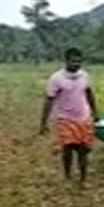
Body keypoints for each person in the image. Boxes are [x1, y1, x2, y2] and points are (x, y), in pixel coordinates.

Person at [40, 47, 99, 186]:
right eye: (73, 61)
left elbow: (89, 94)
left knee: (83, 150)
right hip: (65, 118)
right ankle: (67, 176)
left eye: (79, 61)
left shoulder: (85, 76)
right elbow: (49, 100)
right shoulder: (56, 78)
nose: (76, 64)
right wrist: (43, 123)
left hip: (83, 117)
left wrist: (95, 113)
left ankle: (83, 179)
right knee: (68, 148)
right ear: (66, 61)